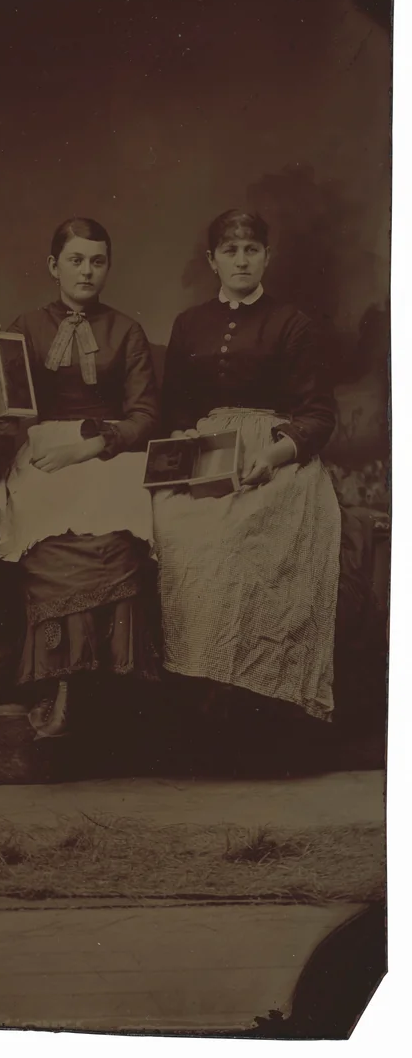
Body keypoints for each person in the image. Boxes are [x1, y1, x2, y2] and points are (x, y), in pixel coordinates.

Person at [0, 217, 160, 739]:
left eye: (97, 261)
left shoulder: (126, 331)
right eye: (76, 260)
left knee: (119, 532)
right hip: (44, 452)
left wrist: (90, 447)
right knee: (46, 532)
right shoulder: (25, 326)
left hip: (106, 451)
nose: (87, 271)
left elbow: (145, 415)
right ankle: (57, 683)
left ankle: (110, 692)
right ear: (53, 266)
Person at [153, 208, 340, 740]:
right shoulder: (190, 323)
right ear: (212, 260)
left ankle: (252, 715)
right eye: (230, 251)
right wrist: (178, 464)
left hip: (275, 459)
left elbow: (318, 415)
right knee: (176, 533)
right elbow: (173, 414)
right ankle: (197, 710)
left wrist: (276, 454)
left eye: (251, 250)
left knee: (236, 544)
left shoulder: (293, 323)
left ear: (266, 258)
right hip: (203, 453)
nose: (241, 260)